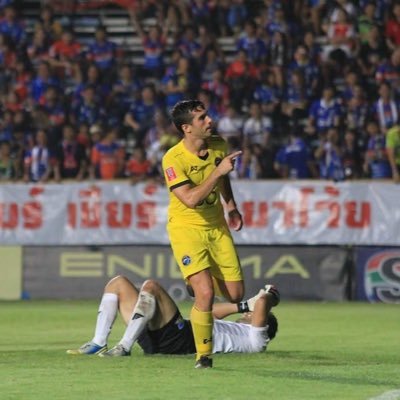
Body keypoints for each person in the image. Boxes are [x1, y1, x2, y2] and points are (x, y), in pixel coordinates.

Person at [161, 99, 244, 369]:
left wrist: (230, 207)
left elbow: (223, 178)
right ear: (186, 128)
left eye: (207, 116)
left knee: (235, 294)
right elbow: (190, 199)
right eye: (202, 119)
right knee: (205, 293)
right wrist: (218, 171)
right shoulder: (173, 159)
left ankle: (196, 284)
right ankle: (203, 356)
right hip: (186, 228)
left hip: (216, 226)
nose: (209, 121)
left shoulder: (218, 144)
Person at [66, 276, 279, 360]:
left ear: (264, 324)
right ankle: (98, 342)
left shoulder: (257, 341)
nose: (247, 314)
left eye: (251, 315)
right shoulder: (233, 328)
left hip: (183, 340)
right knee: (117, 283)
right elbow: (209, 312)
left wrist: (270, 295)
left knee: (151, 287)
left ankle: (124, 346)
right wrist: (242, 305)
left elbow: (261, 305)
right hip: (159, 338)